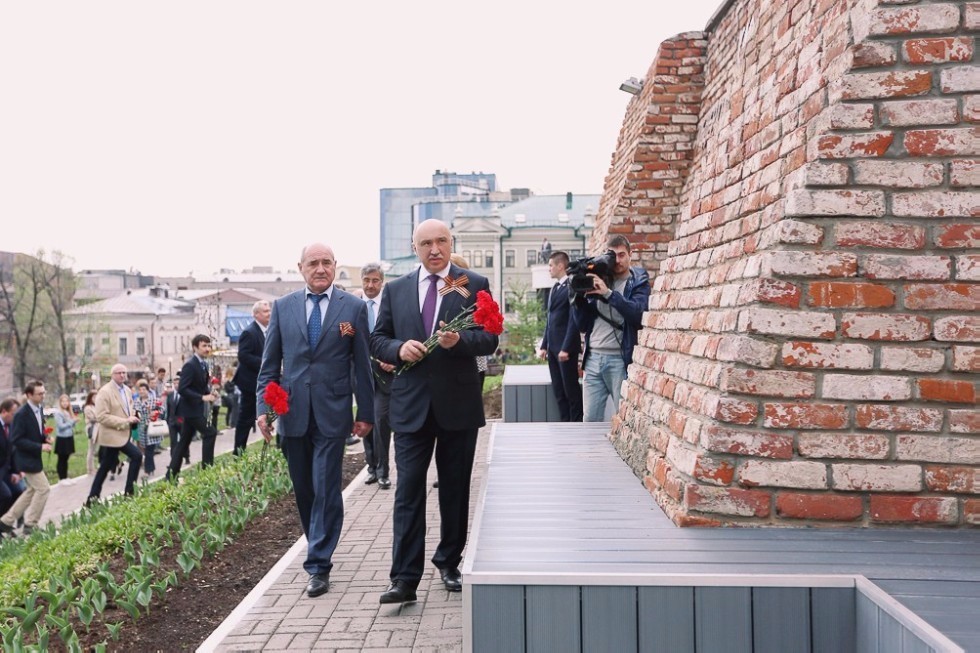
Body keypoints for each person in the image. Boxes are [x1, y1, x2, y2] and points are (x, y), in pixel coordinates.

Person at [370, 219, 498, 603]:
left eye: (441, 241)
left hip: (458, 405)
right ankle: (404, 579)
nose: (435, 249)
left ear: (450, 243)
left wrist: (459, 340)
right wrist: (397, 350)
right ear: (415, 248)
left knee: (455, 490)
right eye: (426, 243)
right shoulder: (395, 289)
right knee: (408, 491)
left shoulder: (473, 284)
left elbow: (489, 338)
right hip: (410, 408)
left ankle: (449, 562)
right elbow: (378, 339)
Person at [256, 242, 373, 598]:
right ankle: (317, 543)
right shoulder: (283, 307)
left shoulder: (352, 307)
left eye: (326, 263)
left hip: (332, 413)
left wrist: (365, 412)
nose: (320, 269)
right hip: (292, 414)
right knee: (304, 491)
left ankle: (318, 564)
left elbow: (362, 365)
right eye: (313, 263)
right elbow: (269, 365)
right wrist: (263, 409)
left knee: (325, 487)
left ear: (335, 266)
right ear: (301, 268)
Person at [571, 235, 650, 422]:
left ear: (631, 255)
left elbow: (637, 315)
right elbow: (582, 325)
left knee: (624, 418)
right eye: (613, 255)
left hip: (619, 360)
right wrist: (577, 299)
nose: (618, 260)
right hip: (593, 359)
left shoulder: (638, 282)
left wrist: (608, 293)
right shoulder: (597, 278)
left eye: (622, 255)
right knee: (590, 419)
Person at [0, 381, 53, 536]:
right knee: (44, 489)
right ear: (29, 395)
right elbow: (17, 439)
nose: (43, 396)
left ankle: (6, 521)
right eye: (39, 393)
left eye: (44, 393)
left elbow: (36, 431)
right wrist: (40, 447)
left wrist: (45, 438)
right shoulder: (21, 414)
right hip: (25, 459)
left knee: (30, 491)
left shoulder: (39, 409)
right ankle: (30, 525)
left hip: (34, 458)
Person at [537, 251, 583, 422]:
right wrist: (544, 345)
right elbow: (550, 320)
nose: (549, 269)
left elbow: (573, 320)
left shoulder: (571, 287)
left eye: (550, 265)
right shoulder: (555, 288)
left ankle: (576, 425)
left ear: (560, 266)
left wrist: (566, 348)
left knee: (571, 391)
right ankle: (565, 424)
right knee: (558, 391)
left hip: (565, 350)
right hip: (552, 349)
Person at [86, 365, 143, 503]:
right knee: (137, 455)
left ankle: (92, 498)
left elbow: (128, 409)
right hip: (111, 435)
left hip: (122, 434)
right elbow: (101, 416)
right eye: (119, 373)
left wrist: (135, 415)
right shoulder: (105, 392)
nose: (122, 375)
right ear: (112, 375)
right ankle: (129, 493)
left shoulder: (127, 390)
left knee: (105, 466)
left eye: (124, 372)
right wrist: (125, 421)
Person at [360, 262, 393, 489]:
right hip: (361, 375)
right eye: (367, 280)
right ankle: (371, 467)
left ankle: (383, 470)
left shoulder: (388, 306)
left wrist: (392, 357)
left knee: (381, 421)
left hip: (385, 373)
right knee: (365, 421)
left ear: (382, 282)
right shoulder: (354, 306)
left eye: (375, 281)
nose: (371, 285)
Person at [166, 335, 218, 480]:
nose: (207, 349)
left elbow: (200, 387)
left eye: (209, 346)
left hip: (195, 409)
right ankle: (207, 470)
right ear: (195, 347)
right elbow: (182, 389)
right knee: (210, 433)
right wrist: (202, 397)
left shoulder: (203, 364)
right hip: (191, 410)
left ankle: (170, 475)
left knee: (183, 442)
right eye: (204, 346)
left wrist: (210, 393)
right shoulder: (190, 365)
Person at [232, 300, 270, 454]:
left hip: (261, 382)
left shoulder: (267, 330)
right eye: (265, 311)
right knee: (246, 419)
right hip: (249, 383)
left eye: (269, 310)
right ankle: (238, 451)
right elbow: (243, 356)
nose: (269, 314)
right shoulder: (250, 332)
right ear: (256, 314)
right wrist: (266, 363)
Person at [0, 398, 25, 522]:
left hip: (6, 469)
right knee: (5, 495)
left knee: (18, 491)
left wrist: (16, 471)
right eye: (13, 413)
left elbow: (12, 451)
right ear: (4, 411)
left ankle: (6, 523)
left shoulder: (10, 427)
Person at [134, 380, 162, 477]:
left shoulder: (153, 400)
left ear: (147, 390)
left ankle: (147, 471)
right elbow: (136, 413)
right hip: (142, 429)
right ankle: (152, 468)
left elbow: (162, 410)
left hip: (152, 428)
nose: (142, 391)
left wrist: (155, 413)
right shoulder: (137, 401)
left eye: (144, 389)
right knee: (146, 450)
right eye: (140, 390)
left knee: (149, 450)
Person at [53, 394, 78, 481]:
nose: (65, 403)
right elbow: (61, 426)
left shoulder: (68, 412)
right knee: (62, 458)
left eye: (67, 401)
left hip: (69, 437)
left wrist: (74, 421)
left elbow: (71, 425)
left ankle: (65, 477)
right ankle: (61, 478)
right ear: (60, 403)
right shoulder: (58, 413)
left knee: (66, 458)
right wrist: (72, 421)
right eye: (63, 401)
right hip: (62, 438)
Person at [82, 391, 98, 475]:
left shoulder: (96, 406)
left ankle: (94, 467)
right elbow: (93, 418)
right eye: (94, 397)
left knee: (95, 450)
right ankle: (90, 469)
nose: (96, 399)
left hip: (98, 428)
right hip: (92, 429)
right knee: (91, 449)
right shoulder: (88, 407)